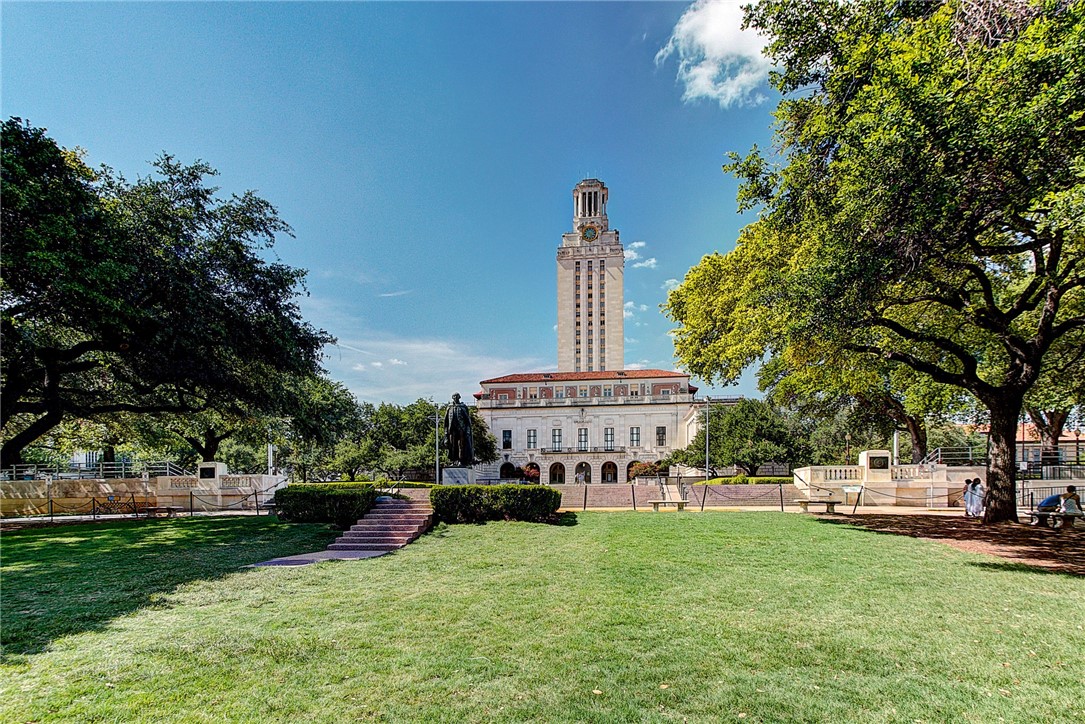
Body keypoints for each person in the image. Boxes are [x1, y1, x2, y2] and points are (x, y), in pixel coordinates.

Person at [443, 393, 474, 468]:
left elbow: (467, 420)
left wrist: (467, 430)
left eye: (457, 396)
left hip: (461, 429)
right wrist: (446, 433)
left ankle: (461, 461)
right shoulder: (449, 407)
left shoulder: (463, 407)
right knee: (453, 446)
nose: (455, 398)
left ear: (459, 397)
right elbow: (446, 421)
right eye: (454, 397)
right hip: (452, 430)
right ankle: (454, 461)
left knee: (461, 445)